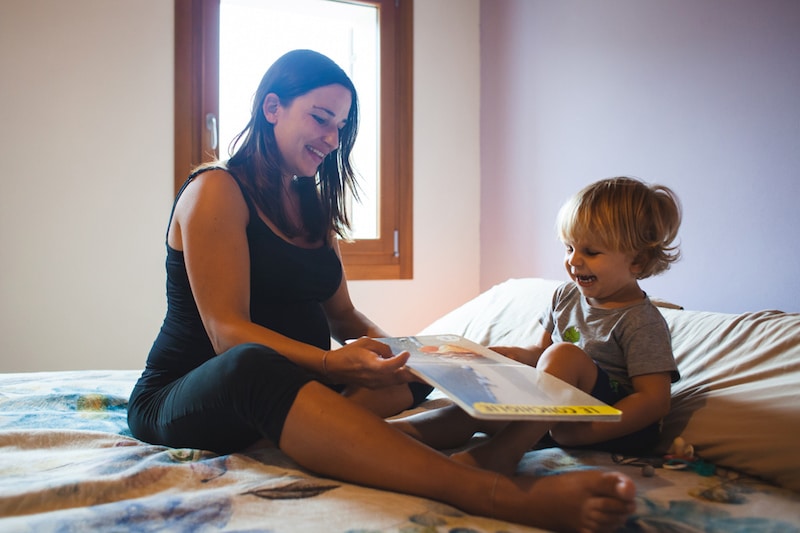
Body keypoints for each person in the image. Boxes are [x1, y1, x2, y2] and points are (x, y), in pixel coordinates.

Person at [127, 49, 636, 532]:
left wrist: (409, 354)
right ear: (273, 108)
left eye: (341, 126)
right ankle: (484, 490)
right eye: (320, 117)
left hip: (289, 382)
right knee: (253, 363)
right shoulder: (216, 189)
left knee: (407, 377)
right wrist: (332, 364)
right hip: (192, 390)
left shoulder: (311, 205)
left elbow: (345, 318)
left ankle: (320, 433)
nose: (332, 137)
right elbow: (227, 334)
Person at [394, 176, 682, 476]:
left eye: (591, 252)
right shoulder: (566, 295)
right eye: (569, 248)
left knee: (564, 355)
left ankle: (504, 452)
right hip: (554, 415)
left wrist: (586, 432)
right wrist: (497, 357)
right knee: (477, 410)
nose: (574, 261)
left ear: (638, 260)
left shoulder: (641, 321)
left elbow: (654, 401)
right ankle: (388, 434)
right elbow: (540, 354)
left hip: (614, 426)